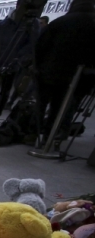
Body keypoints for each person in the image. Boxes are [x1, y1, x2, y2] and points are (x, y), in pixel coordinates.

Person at [34, 0, 95, 141]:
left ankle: (34, 132)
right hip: (77, 76)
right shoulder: (92, 24)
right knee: (60, 107)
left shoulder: (60, 22)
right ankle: (50, 136)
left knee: (41, 104)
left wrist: (38, 66)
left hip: (50, 70)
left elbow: (41, 45)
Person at [0, 0, 40, 127]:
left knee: (4, 93)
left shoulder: (32, 23)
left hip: (13, 64)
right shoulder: (8, 20)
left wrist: (19, 59)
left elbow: (32, 44)